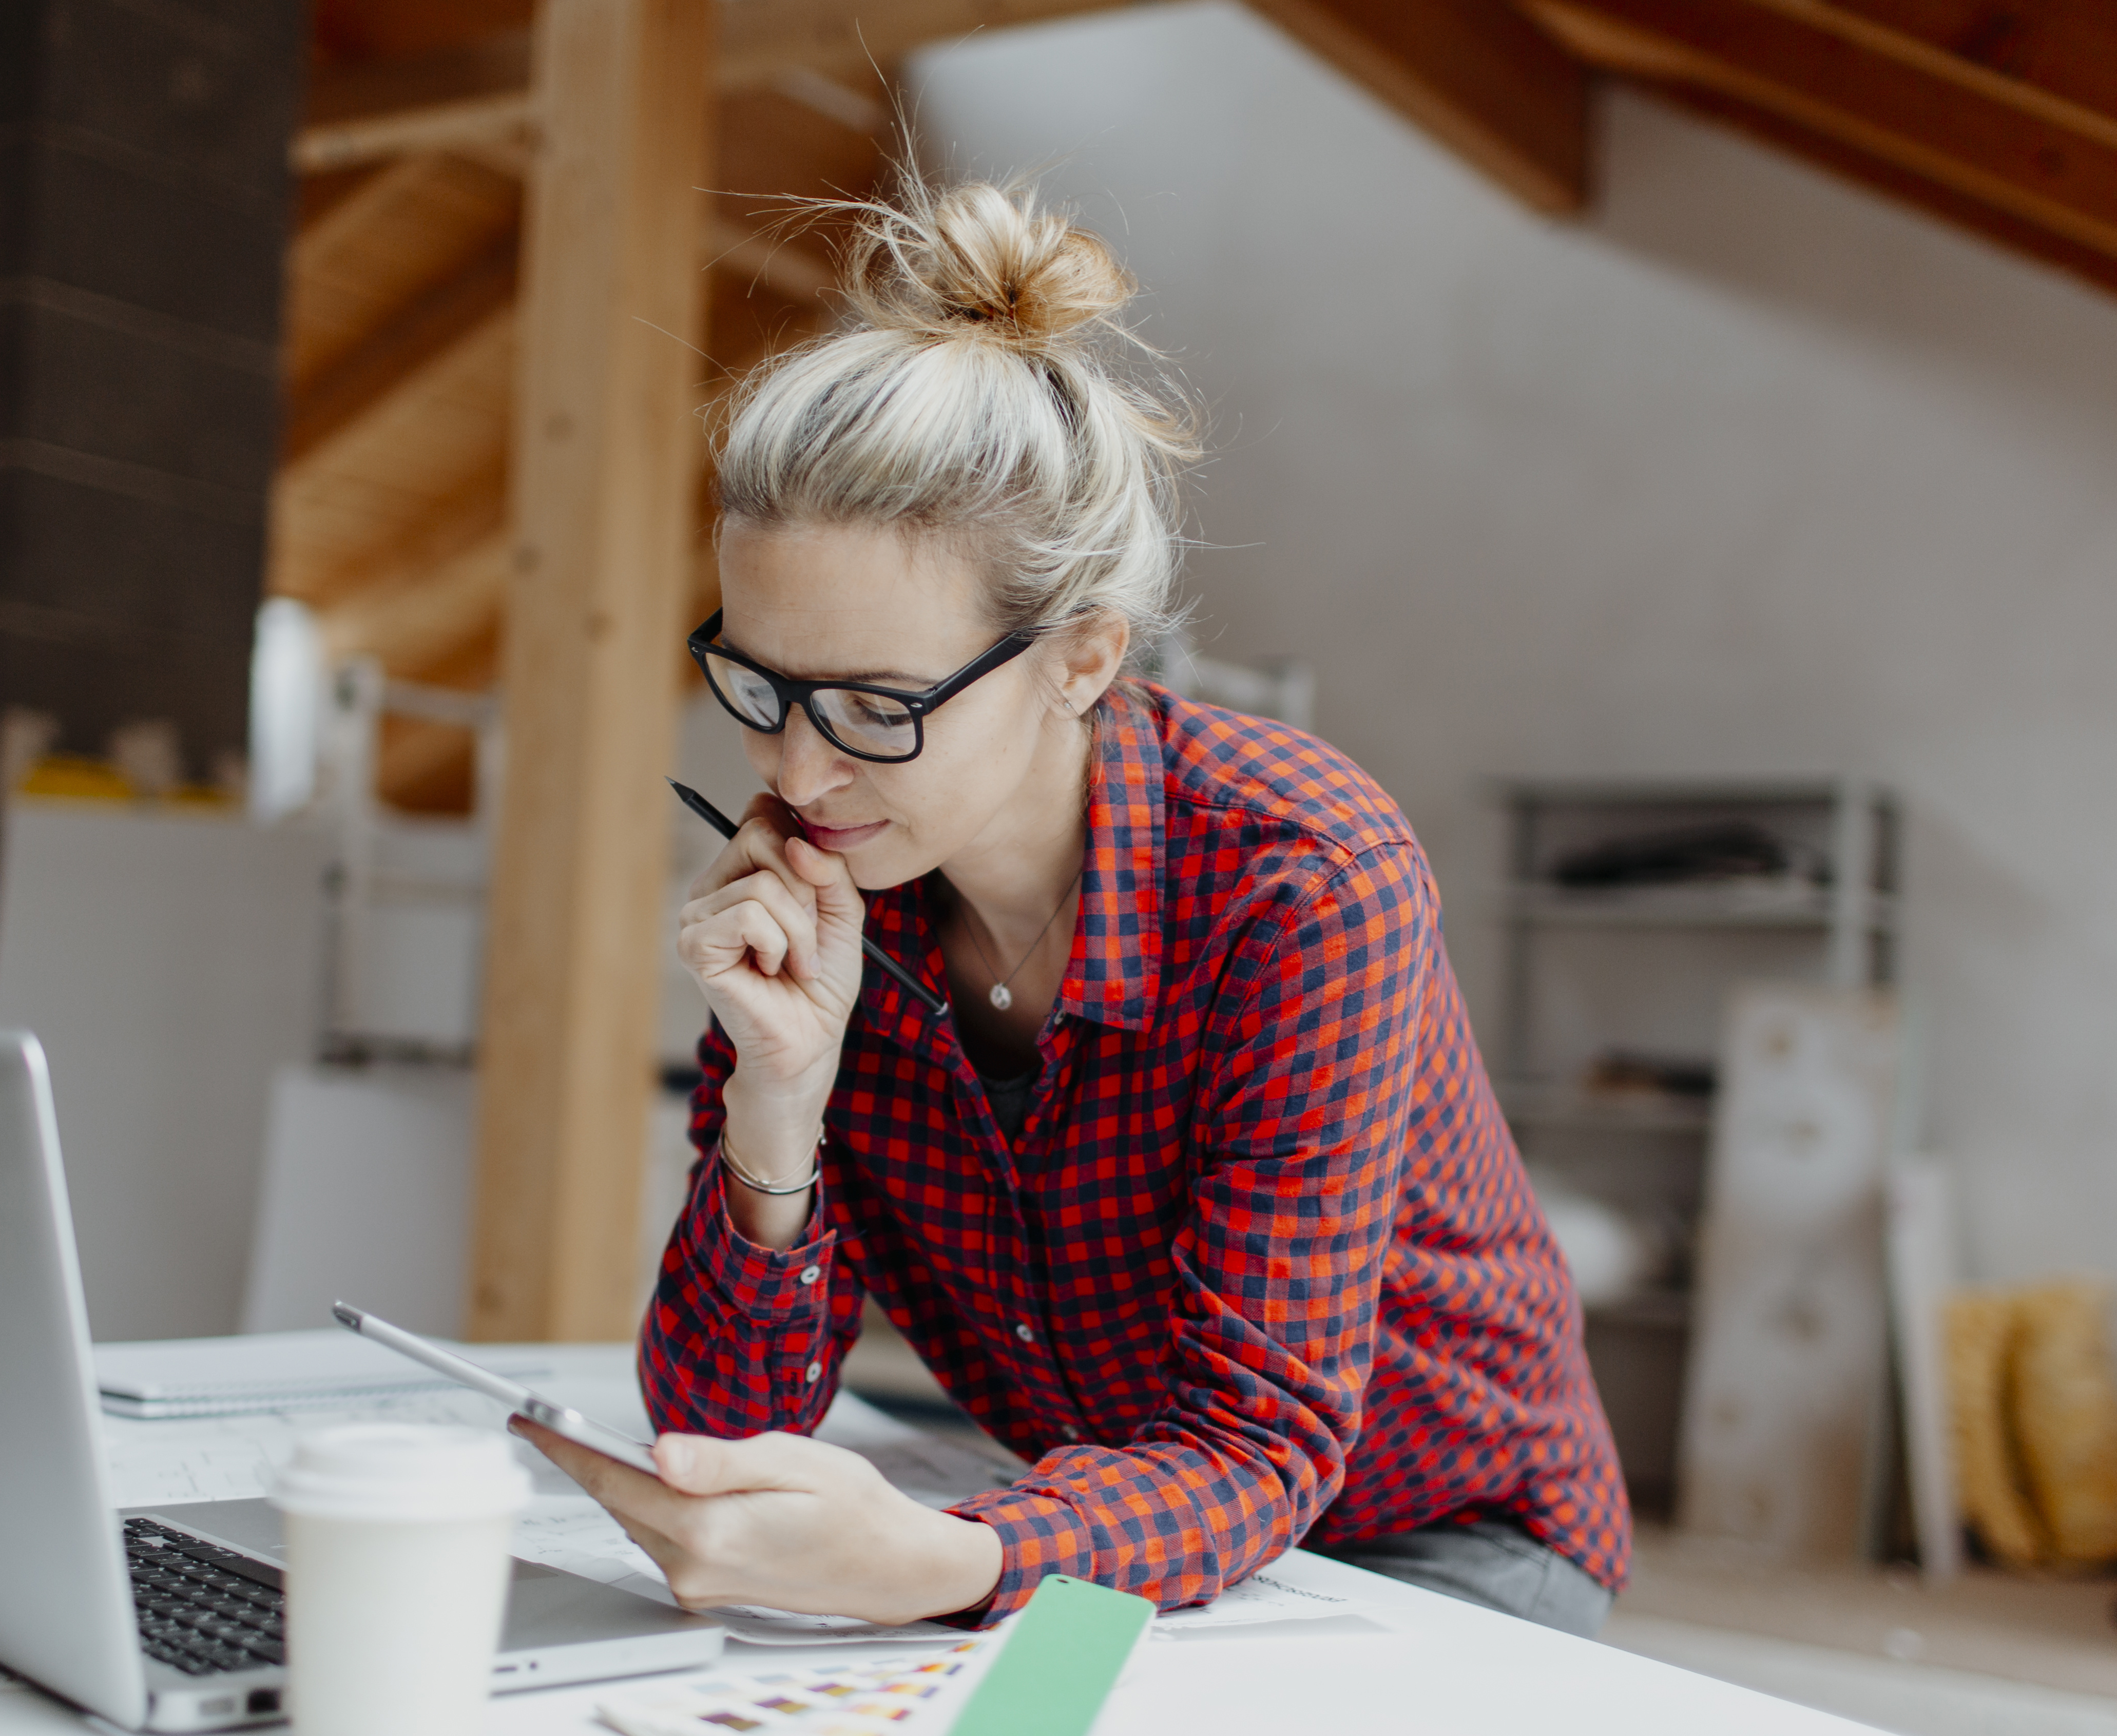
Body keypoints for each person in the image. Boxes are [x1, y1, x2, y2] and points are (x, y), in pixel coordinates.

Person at [515, 176, 1628, 1638]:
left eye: (873, 703)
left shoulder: (1301, 875)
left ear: (1084, 658)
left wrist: (948, 1563)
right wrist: (777, 1111)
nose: (797, 766)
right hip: (1099, 1513)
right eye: (760, 686)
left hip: (1431, 1539)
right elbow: (728, 1424)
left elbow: (1260, 1442)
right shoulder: (839, 879)